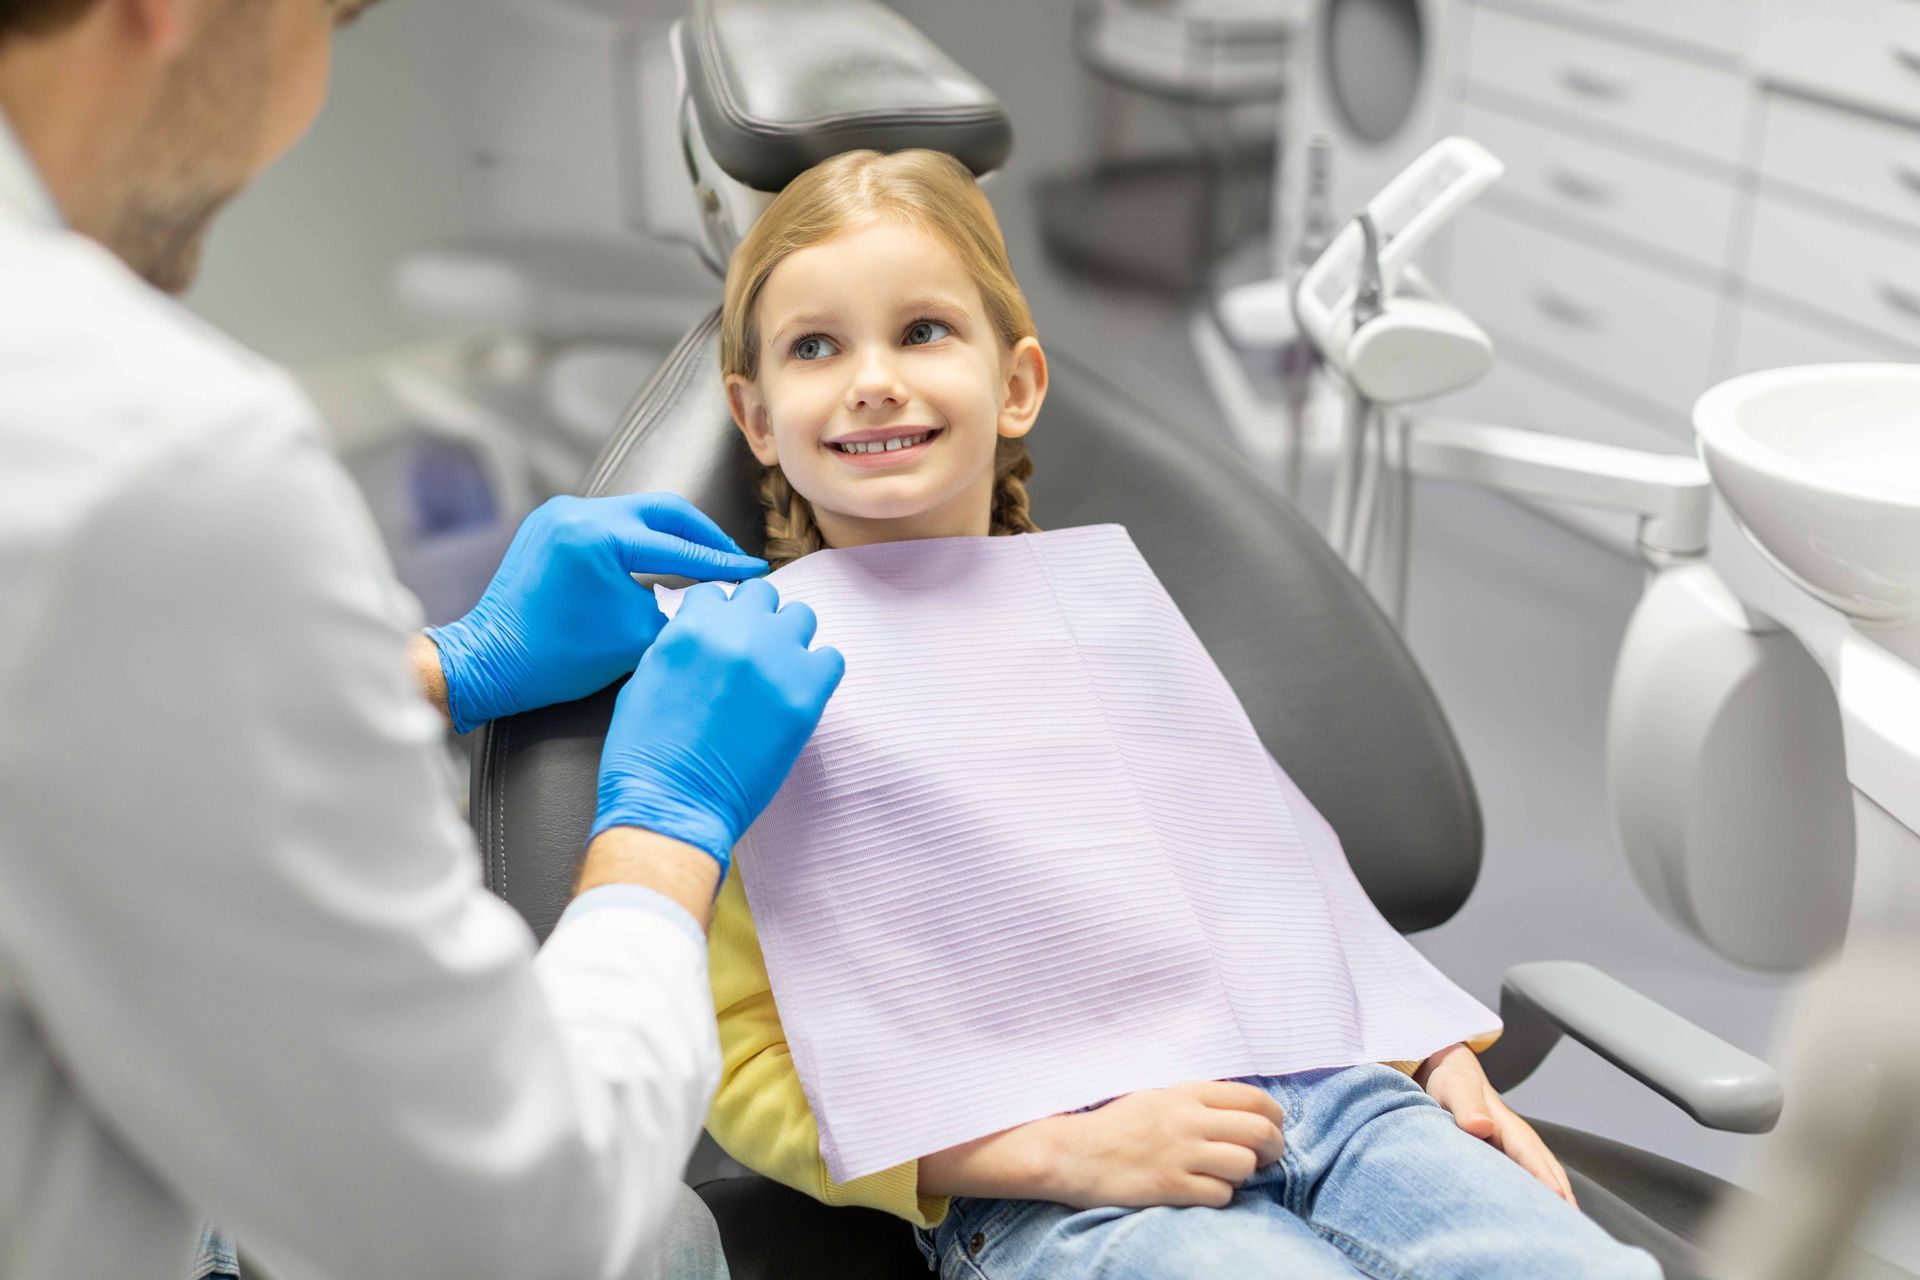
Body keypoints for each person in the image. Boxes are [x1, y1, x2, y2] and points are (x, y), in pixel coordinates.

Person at [699, 148, 1660, 1279]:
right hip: (1066, 1181)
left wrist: (1433, 1057)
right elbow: (745, 1062)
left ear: (1016, 384)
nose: (872, 379)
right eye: (816, 347)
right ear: (754, 415)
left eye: (922, 331)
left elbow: (1281, 893)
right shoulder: (748, 674)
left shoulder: (1104, 614)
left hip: (1341, 1097)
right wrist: (1064, 1152)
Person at [0, 2, 843, 1278]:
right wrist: (667, 825)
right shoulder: (147, 451)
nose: (301, 105)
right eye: (326, 22)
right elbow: (520, 1224)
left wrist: (445, 664)